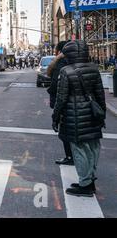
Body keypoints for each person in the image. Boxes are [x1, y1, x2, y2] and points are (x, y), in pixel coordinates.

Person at [52, 40, 106, 197]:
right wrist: (101, 114)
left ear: (69, 55)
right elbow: (100, 95)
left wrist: (55, 117)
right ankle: (89, 180)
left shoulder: (66, 71)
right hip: (92, 114)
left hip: (74, 117)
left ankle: (85, 184)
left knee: (79, 150)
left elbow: (61, 99)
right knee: (93, 147)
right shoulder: (94, 69)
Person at [47, 41, 73, 166]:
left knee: (65, 132)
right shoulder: (80, 63)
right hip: (82, 104)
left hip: (66, 104)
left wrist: (55, 115)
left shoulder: (61, 63)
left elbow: (56, 86)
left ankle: (70, 157)